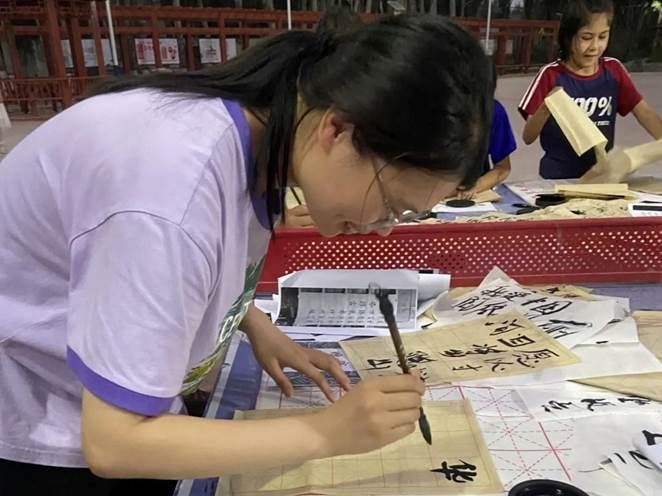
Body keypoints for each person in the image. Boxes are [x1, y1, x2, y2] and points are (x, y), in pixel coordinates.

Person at [0, 14, 493, 495]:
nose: (382, 231)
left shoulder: (262, 136)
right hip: (40, 429)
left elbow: (174, 266)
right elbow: (116, 444)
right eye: (390, 205)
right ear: (338, 132)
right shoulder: (168, 192)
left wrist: (249, 320)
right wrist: (327, 432)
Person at [518, 0, 662, 180]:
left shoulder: (614, 71)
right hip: (558, 178)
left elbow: (645, 114)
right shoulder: (551, 75)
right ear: (568, 37)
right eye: (586, 38)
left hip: (601, 177)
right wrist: (547, 107)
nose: (594, 46)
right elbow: (528, 137)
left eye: (602, 37)